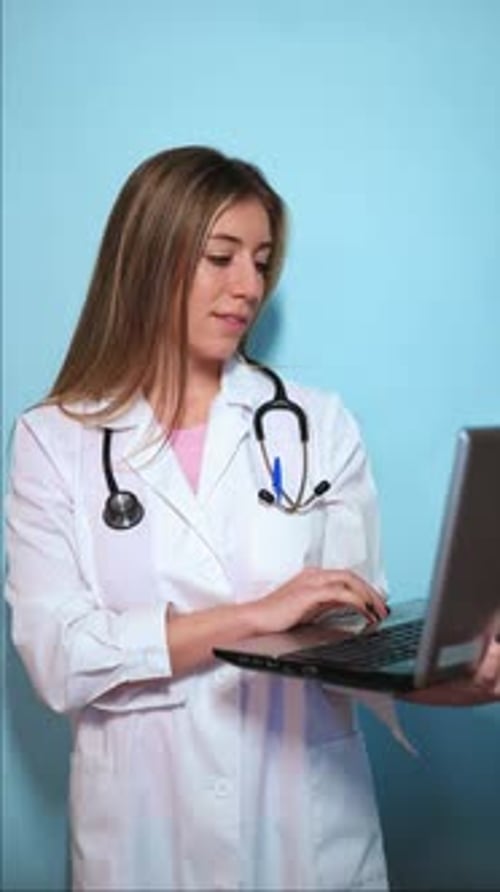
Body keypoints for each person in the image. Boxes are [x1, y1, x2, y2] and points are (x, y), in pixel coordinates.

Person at [5, 146, 500, 892]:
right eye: (221, 256)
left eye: (262, 261)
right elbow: (58, 656)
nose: (249, 287)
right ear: (147, 260)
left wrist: (443, 677)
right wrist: (252, 616)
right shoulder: (55, 440)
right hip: (144, 839)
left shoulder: (316, 424)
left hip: (305, 831)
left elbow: (348, 638)